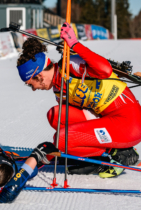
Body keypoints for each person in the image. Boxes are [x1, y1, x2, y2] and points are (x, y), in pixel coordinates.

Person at [16, 22, 141, 178]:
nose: (34, 89)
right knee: (55, 116)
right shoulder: (57, 89)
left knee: (61, 139)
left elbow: (105, 69)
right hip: (107, 119)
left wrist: (75, 44)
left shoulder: (70, 65)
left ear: (39, 76)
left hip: (128, 121)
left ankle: (118, 155)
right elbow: (75, 122)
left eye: (30, 85)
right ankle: (101, 154)